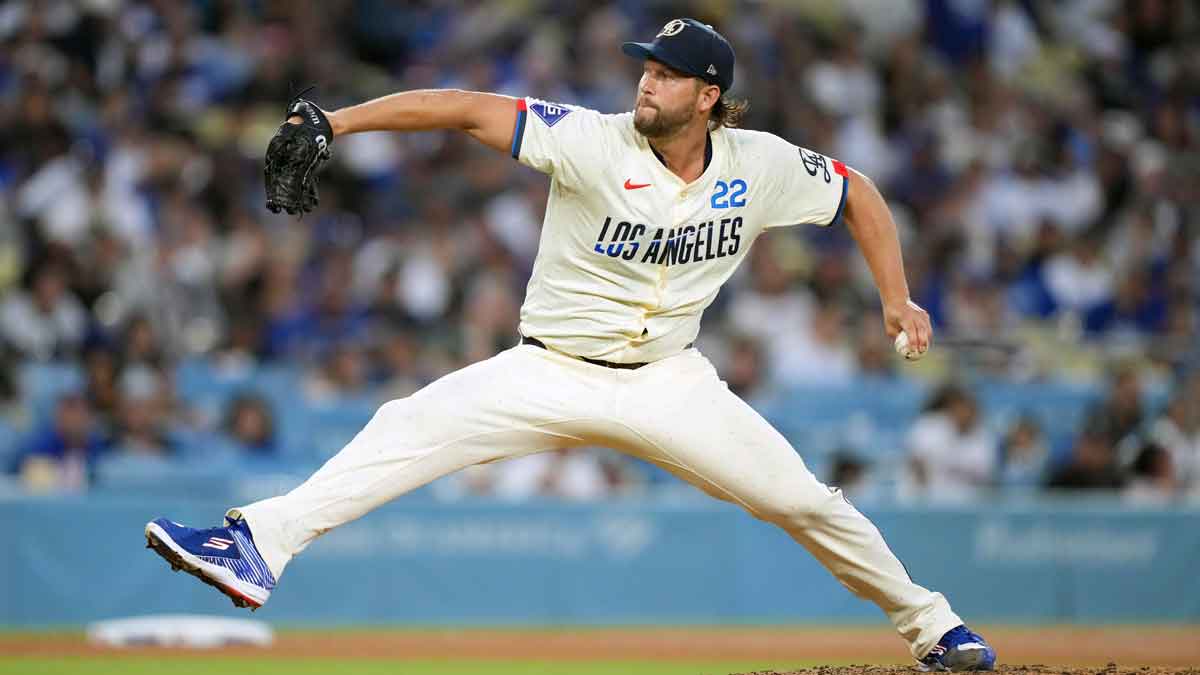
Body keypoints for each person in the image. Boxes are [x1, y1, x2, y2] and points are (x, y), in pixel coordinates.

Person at [144, 19, 995, 671]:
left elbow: (858, 193)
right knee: (407, 422)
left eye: (666, 74)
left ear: (709, 96)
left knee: (802, 501)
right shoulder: (593, 139)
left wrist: (897, 296)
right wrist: (339, 120)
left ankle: (934, 625)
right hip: (547, 368)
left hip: (670, 381)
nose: (646, 82)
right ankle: (258, 544)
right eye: (645, 67)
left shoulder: (760, 164)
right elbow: (466, 110)